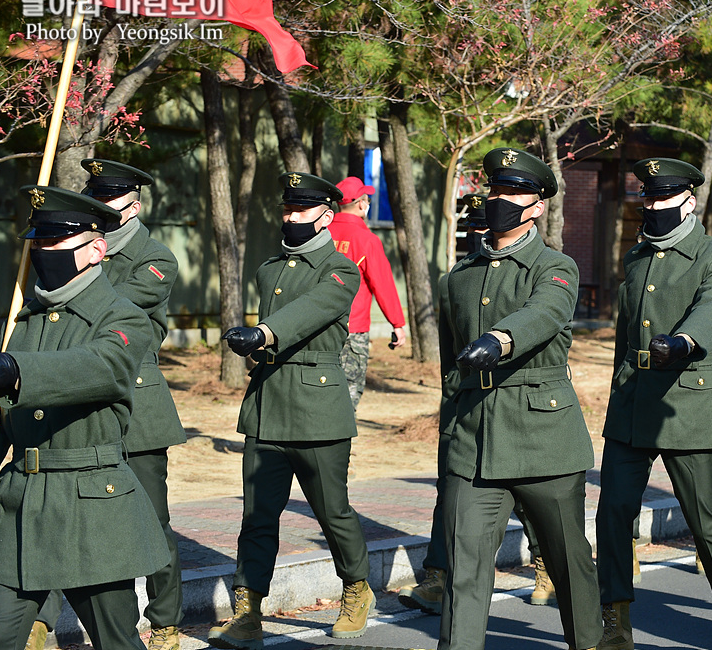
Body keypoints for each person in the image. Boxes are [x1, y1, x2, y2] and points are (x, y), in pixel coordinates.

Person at [435, 147, 601, 650]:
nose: (500, 200)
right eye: (496, 190)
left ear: (536, 206)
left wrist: (500, 340)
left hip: (542, 440)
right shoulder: (458, 277)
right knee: (463, 570)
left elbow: (545, 312)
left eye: (513, 193)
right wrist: (449, 433)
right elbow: (449, 367)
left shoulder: (555, 266)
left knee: (569, 563)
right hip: (474, 442)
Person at [0, 186, 170, 650]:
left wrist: (14, 369)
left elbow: (103, 368)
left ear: (96, 249)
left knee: (115, 642)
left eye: (54, 243)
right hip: (19, 507)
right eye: (38, 242)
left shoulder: (123, 316)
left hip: (89, 507)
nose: (42, 252)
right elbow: (7, 419)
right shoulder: (27, 318)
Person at [210, 172, 374, 648]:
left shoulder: (339, 270)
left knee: (332, 511)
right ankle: (248, 612)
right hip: (266, 406)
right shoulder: (270, 267)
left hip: (317, 406)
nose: (290, 218)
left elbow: (312, 312)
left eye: (301, 211)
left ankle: (357, 588)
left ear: (326, 216)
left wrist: (262, 334)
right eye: (286, 210)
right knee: (258, 516)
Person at [596, 158, 712, 650]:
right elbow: (626, 331)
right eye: (648, 197)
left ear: (688, 200)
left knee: (703, 516)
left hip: (688, 400)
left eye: (664, 198)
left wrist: (684, 342)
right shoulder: (638, 257)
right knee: (614, 511)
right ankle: (616, 616)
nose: (654, 206)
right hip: (633, 401)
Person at [398, 193, 555, 615]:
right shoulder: (458, 278)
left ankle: (545, 565)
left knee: (525, 496)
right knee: (450, 492)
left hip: (514, 405)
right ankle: (438, 574)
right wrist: (450, 408)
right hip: (466, 407)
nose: (479, 237)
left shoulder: (535, 270)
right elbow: (451, 357)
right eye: (473, 230)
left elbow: (541, 324)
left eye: (484, 229)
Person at [329, 176, 406, 411]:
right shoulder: (367, 240)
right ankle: (337, 445)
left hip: (317, 325)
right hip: (353, 327)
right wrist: (397, 323)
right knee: (349, 390)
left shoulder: (320, 234)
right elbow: (382, 284)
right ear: (362, 204)